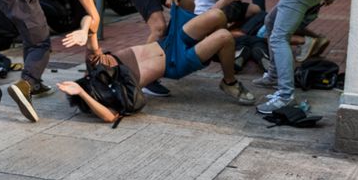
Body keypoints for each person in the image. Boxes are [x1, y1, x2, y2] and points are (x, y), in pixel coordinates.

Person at [57, 9, 256, 123]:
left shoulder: (96, 65)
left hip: (167, 43)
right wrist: (82, 94)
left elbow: (90, 20)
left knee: (217, 16)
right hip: (175, 63)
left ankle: (219, 51)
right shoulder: (114, 96)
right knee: (224, 36)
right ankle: (229, 81)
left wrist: (83, 31)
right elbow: (110, 118)